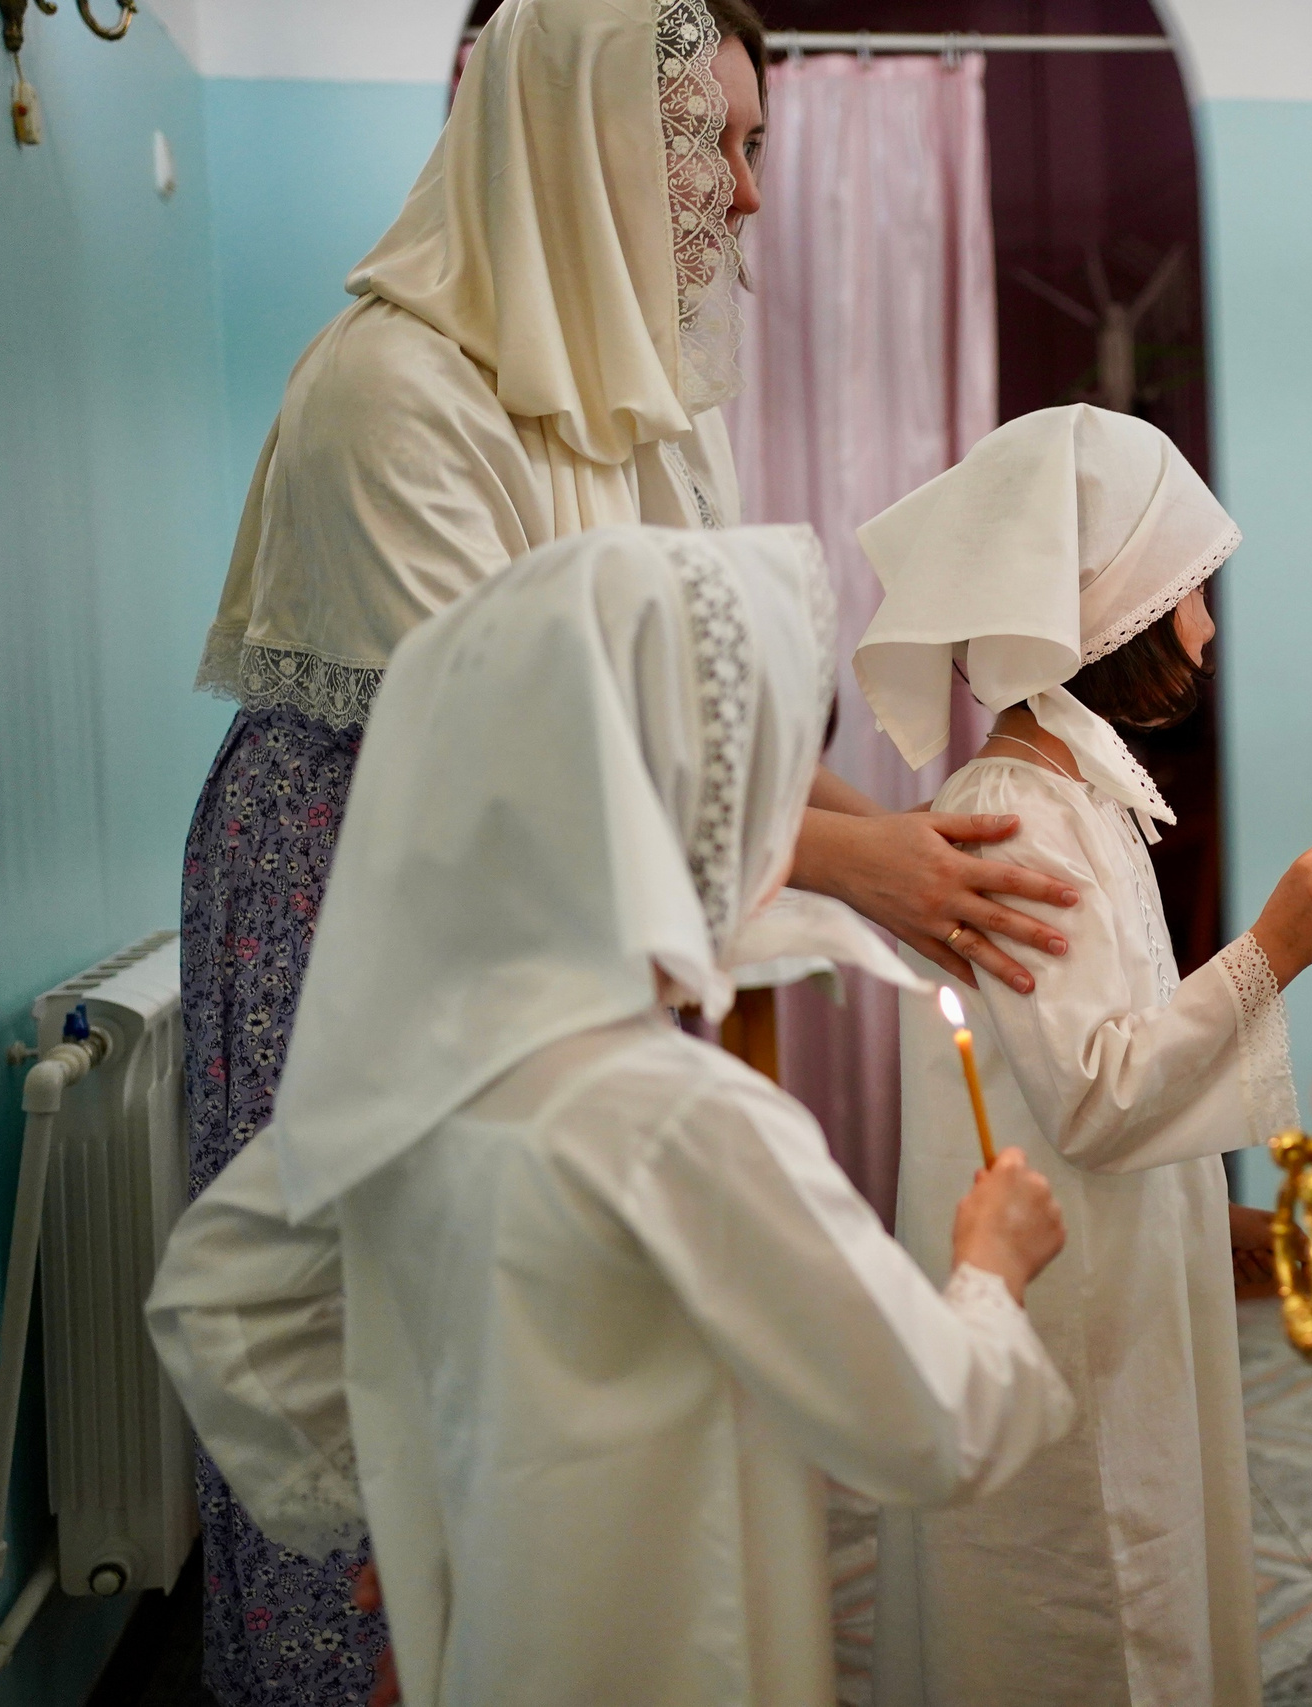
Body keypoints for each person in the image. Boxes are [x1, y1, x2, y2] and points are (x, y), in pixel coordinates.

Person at [178, 2, 1070, 1694]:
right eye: (713, 147)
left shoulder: (645, 383)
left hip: (565, 909)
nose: (746, 199)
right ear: (582, 135)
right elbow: (541, 750)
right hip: (370, 897)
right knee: (403, 1396)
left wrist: (916, 836)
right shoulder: (388, 389)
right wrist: (877, 870)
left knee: (571, 1408)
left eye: (752, 149)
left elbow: (703, 728)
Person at [149, 524, 1080, 1707]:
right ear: (682, 809)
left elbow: (219, 1295)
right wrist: (990, 1264)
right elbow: (932, 1423)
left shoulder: (417, 1078)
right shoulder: (681, 1125)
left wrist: (401, 1512)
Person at [858, 406, 1312, 1707]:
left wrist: (1218, 1215)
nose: (1205, 627)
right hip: (1069, 1312)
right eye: (1191, 593)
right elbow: (1095, 1092)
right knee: (1094, 1596)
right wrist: (1274, 943)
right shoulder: (1014, 807)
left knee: (1147, 1552)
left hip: (1123, 1278)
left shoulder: (1078, 791)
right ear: (1120, 610)